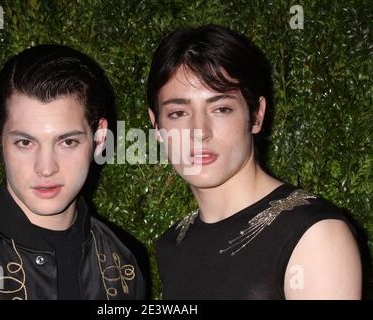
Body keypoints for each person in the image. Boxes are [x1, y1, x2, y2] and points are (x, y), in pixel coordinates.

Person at [147, 24, 362, 299]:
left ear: (256, 115)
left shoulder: (314, 235)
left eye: (221, 108)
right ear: (156, 126)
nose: (199, 131)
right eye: (178, 113)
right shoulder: (173, 243)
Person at [0, 44, 145, 300]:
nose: (46, 168)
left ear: (100, 139)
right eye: (25, 143)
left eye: (68, 142)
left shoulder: (125, 261)